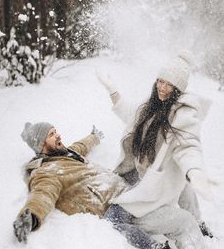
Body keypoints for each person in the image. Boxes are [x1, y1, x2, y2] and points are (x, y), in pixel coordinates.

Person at [98, 52, 214, 248]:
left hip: (154, 181)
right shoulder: (150, 106)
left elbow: (188, 144)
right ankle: (193, 221)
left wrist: (194, 170)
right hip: (140, 175)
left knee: (181, 183)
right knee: (177, 185)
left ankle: (197, 224)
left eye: (169, 84)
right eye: (160, 81)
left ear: (178, 89)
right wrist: (112, 90)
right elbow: (129, 114)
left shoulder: (181, 113)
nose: (162, 87)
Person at [13, 122, 170, 249]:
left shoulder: (68, 153)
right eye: (51, 134)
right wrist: (31, 216)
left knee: (146, 169)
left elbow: (82, 145)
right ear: (41, 145)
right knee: (117, 225)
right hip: (111, 204)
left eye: (56, 131)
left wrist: (94, 137)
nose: (58, 135)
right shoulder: (47, 171)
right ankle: (154, 246)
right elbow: (43, 194)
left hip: (122, 188)